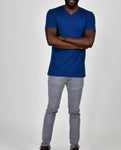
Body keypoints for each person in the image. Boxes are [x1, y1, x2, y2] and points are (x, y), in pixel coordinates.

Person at [40, 0, 96, 150]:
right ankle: (45, 145)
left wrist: (63, 38)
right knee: (52, 108)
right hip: (56, 71)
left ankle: (74, 146)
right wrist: (79, 44)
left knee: (74, 112)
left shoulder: (88, 15)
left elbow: (89, 41)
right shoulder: (53, 13)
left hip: (77, 72)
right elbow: (51, 39)